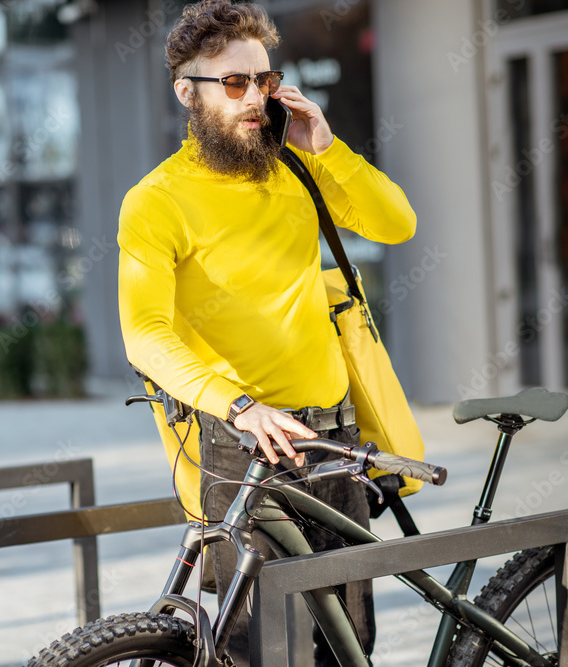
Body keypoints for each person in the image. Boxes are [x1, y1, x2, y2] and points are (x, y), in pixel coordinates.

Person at [117, 1, 416, 663]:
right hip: (239, 443)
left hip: (334, 437)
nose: (256, 96)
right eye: (233, 82)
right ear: (185, 92)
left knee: (349, 641)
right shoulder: (156, 200)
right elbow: (145, 332)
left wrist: (327, 149)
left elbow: (397, 223)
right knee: (256, 645)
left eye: (265, 80)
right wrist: (239, 403)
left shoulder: (295, 170)